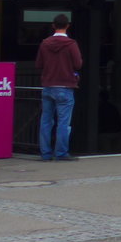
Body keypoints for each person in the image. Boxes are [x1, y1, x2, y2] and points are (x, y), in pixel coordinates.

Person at [36, 13, 83, 162]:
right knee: (63, 122)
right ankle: (61, 153)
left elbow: (39, 64)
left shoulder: (44, 43)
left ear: (53, 26)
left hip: (48, 86)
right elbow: (78, 64)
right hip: (65, 86)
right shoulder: (71, 44)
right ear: (67, 26)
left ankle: (45, 153)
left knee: (46, 121)